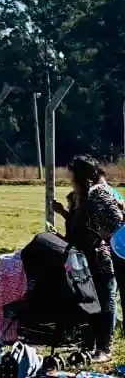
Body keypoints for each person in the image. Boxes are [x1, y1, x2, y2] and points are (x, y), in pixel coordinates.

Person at [53, 155, 123, 363]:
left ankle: (104, 348)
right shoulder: (80, 197)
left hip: (101, 258)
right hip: (85, 260)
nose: (70, 179)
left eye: (73, 174)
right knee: (89, 302)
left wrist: (101, 239)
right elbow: (81, 226)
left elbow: (116, 225)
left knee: (105, 301)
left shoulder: (97, 195)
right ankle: (89, 345)